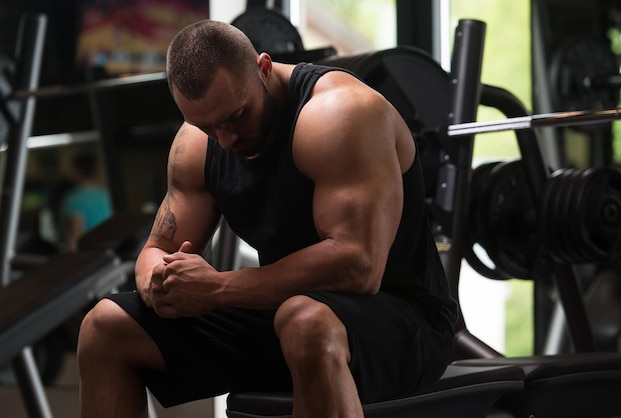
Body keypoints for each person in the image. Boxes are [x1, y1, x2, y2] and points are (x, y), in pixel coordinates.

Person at [77, 19, 458, 418]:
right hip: (284, 318)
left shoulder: (340, 114)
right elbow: (157, 249)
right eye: (208, 126)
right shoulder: (196, 143)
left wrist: (218, 288)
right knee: (105, 326)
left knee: (305, 319)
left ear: (262, 68)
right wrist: (160, 283)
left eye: (236, 116)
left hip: (403, 325)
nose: (225, 139)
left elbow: (358, 266)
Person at [61, 151, 113, 251]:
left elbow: (75, 234)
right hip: (108, 249)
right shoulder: (106, 193)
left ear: (77, 171)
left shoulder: (75, 198)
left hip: (89, 253)